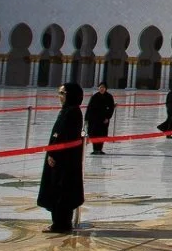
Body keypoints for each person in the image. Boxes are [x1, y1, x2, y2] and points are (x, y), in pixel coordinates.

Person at [36, 83, 84, 234]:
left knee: (61, 190)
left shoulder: (71, 112)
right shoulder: (69, 111)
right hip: (63, 157)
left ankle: (60, 224)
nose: (60, 97)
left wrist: (54, 154)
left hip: (63, 159)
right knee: (59, 190)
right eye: (59, 93)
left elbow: (63, 136)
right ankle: (60, 222)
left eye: (63, 93)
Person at [85, 84, 115, 155]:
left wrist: (108, 117)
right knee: (94, 134)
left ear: (106, 88)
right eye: (100, 87)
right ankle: (95, 149)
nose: (102, 89)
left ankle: (100, 149)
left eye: (103, 87)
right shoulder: (94, 97)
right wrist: (86, 118)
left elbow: (111, 108)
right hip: (94, 119)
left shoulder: (109, 97)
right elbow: (89, 108)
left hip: (103, 119)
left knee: (102, 134)